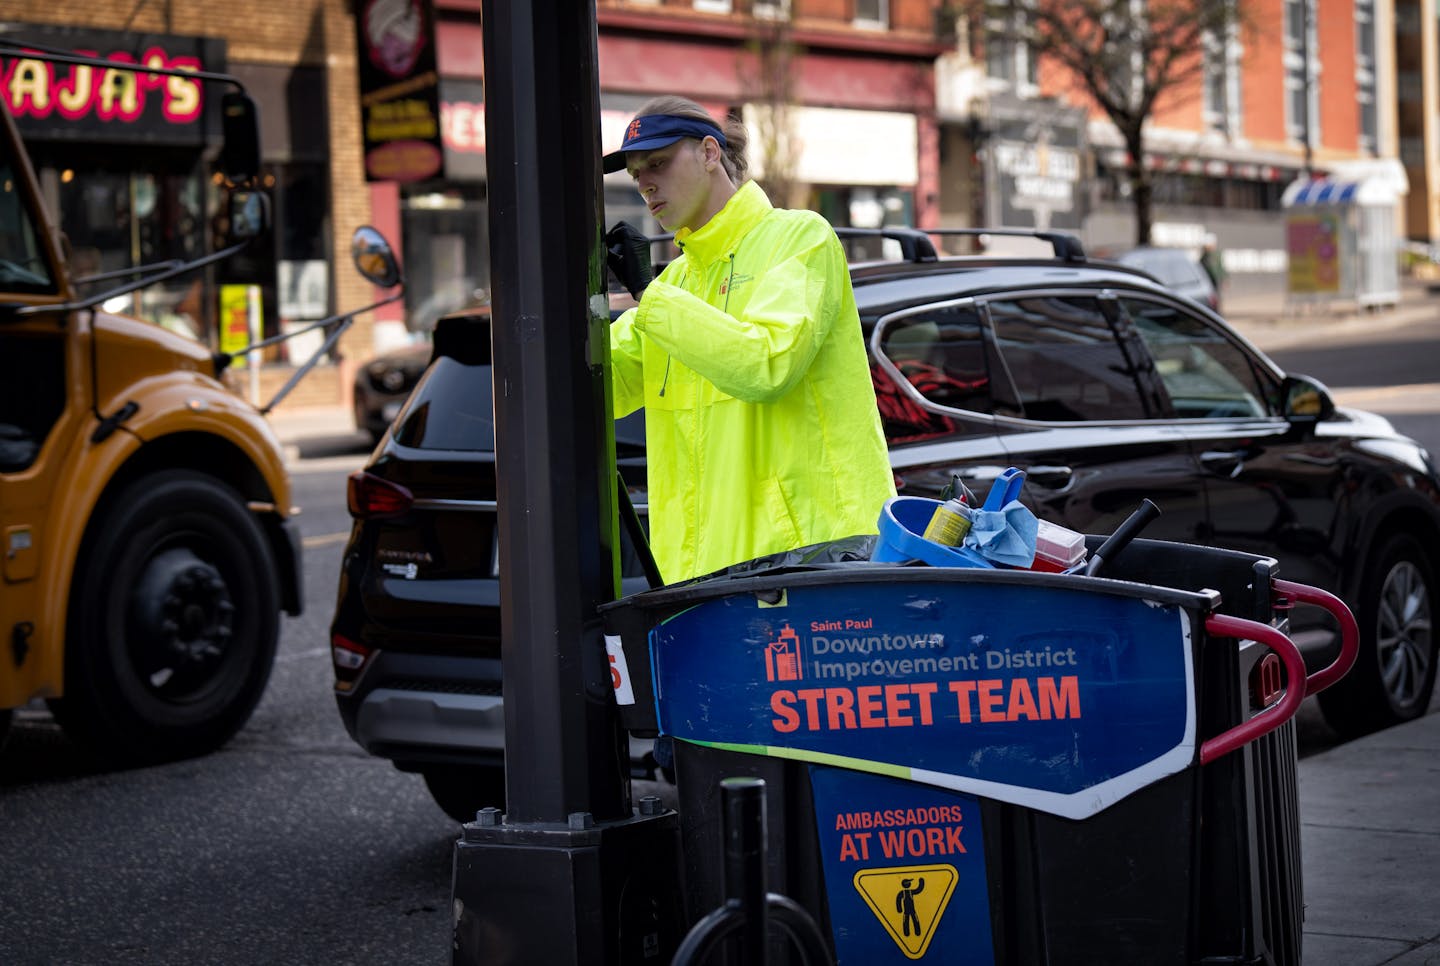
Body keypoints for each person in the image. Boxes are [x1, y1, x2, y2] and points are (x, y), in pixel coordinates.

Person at [603, 96, 896, 583]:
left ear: (710, 153)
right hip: (700, 577)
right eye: (636, 174)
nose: (646, 183)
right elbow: (598, 392)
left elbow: (766, 364)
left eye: (658, 162)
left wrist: (646, 295)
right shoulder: (674, 287)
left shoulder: (799, 238)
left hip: (806, 565)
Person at [1199, 237, 1227, 311]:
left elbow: (1220, 268)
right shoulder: (1203, 257)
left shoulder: (1217, 255)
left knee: (1217, 298)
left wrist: (1224, 278)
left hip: (1215, 281)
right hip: (1208, 282)